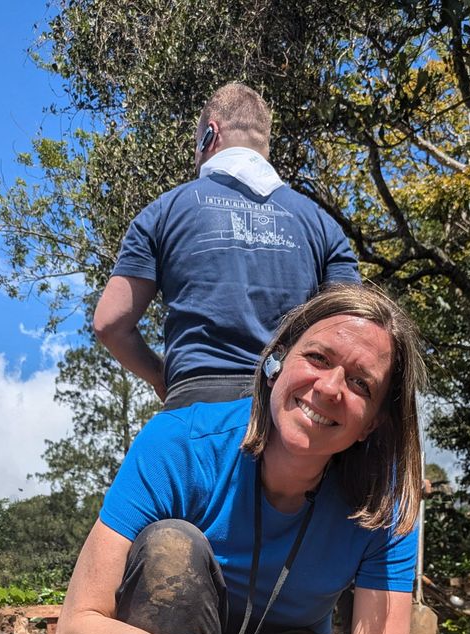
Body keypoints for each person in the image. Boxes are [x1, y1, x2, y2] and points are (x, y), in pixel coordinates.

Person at [56, 283, 425, 634]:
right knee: (171, 547)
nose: (329, 388)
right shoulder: (179, 444)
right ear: (277, 360)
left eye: (362, 384)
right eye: (317, 357)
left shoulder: (383, 504)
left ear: (374, 422)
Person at [93, 82, 361, 412]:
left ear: (210, 133)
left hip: (192, 411)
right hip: (285, 417)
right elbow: (350, 330)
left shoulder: (163, 212)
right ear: (263, 143)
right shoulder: (323, 226)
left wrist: (162, 378)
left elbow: (109, 324)